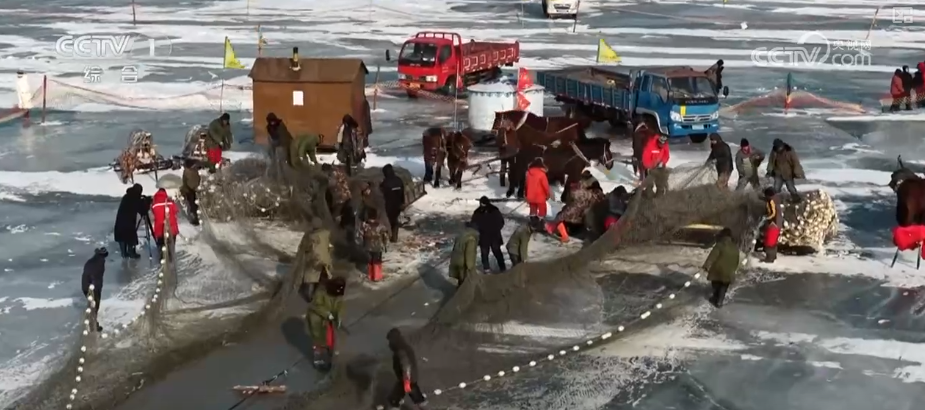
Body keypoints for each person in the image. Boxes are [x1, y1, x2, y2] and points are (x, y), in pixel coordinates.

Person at [306, 276, 345, 370]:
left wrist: (339, 317)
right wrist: (327, 314)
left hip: (328, 321)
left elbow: (340, 305)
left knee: (330, 341)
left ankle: (328, 359)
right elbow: (317, 306)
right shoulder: (320, 292)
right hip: (317, 319)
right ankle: (319, 362)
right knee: (319, 341)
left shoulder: (338, 295)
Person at [386, 328, 427, 409]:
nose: (389, 343)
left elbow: (406, 365)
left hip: (407, 379)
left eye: (390, 340)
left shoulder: (401, 349)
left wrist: (407, 381)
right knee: (417, 399)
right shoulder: (405, 347)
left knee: (395, 399)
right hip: (408, 379)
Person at [702, 227, 739, 308]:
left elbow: (712, 256)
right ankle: (720, 301)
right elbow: (737, 260)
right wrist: (734, 269)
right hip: (729, 271)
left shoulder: (720, 245)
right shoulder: (735, 247)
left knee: (716, 283)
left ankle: (715, 297)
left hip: (718, 270)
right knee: (724, 286)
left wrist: (706, 265)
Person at [297, 218, 332, 303]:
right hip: (325, 258)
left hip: (315, 259)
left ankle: (309, 295)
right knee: (321, 276)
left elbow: (305, 247)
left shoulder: (311, 236)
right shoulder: (326, 234)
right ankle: (319, 294)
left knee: (311, 276)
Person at [470, 196, 506, 272]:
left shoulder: (494, 210)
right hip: (483, 237)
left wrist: (495, 229)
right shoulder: (477, 212)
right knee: (484, 254)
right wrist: (479, 229)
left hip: (494, 236)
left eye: (483, 204)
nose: (482, 205)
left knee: (497, 252)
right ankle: (486, 269)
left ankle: (502, 268)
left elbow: (501, 222)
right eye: (481, 204)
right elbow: (473, 224)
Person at [113, 183, 145, 259]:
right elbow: (142, 210)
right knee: (130, 237)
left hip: (120, 223)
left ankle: (124, 253)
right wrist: (145, 203)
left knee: (122, 237)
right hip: (128, 224)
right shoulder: (135, 198)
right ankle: (132, 253)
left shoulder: (126, 196)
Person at [82, 247, 108, 332]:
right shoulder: (100, 262)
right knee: (95, 306)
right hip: (94, 287)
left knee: (91, 304)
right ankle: (93, 324)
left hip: (85, 285)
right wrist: (95, 287)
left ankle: (91, 322)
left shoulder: (90, 261)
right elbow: (95, 276)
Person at [361, 208, 390, 282]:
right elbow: (385, 237)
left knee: (370, 260)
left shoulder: (365, 225)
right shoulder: (380, 226)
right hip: (378, 246)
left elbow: (361, 234)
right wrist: (386, 245)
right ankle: (377, 276)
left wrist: (363, 243)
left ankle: (370, 275)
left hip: (368, 246)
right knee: (377, 261)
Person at [379, 164, 406, 243]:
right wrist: (402, 203)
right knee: (395, 220)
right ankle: (394, 237)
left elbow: (381, 194)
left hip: (388, 206)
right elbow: (402, 193)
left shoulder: (385, 183)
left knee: (389, 221)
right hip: (398, 205)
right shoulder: (399, 180)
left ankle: (388, 237)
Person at [151, 188, 179, 261]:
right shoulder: (170, 202)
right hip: (171, 227)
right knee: (171, 244)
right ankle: (170, 258)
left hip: (160, 228)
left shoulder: (154, 204)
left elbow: (154, 213)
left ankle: (162, 258)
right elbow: (176, 210)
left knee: (161, 245)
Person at [449, 221, 479, 288]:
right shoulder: (471, 239)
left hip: (456, 259)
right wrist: (470, 267)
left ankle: (459, 289)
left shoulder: (461, 235)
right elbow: (469, 254)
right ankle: (462, 293)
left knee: (460, 279)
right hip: (463, 262)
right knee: (465, 281)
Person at [762, 187, 783, 263]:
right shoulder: (776, 199)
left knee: (769, 242)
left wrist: (766, 217)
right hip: (778, 223)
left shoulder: (771, 201)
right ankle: (773, 256)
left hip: (773, 224)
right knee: (773, 241)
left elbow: (773, 213)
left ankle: (769, 259)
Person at [180, 159, 201, 226]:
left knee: (192, 206)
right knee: (194, 205)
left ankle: (195, 218)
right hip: (193, 190)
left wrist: (184, 190)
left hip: (190, 190)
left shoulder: (187, 171)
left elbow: (186, 181)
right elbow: (198, 179)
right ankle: (196, 218)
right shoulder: (194, 170)